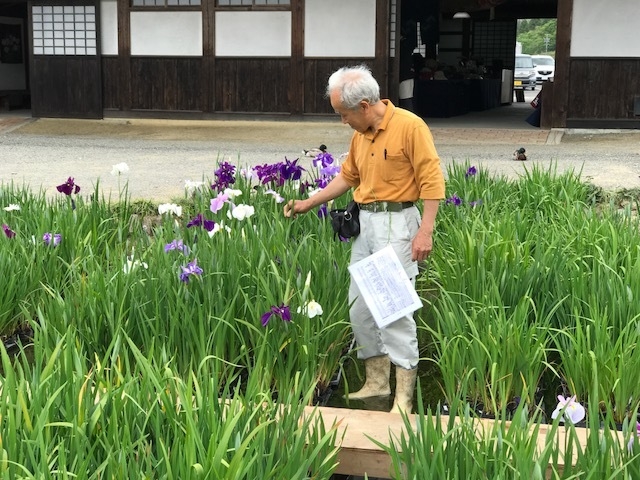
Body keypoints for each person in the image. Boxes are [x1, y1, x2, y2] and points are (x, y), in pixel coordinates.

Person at [283, 65, 445, 414]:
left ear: (366, 105)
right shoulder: (361, 134)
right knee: (359, 307)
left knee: (394, 310)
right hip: (366, 225)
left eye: (344, 114)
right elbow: (347, 177)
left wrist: (425, 230)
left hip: (397, 225)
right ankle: (375, 381)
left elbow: (432, 181)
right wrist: (309, 202)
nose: (343, 122)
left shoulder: (410, 127)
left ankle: (403, 395)